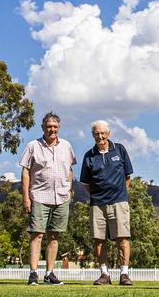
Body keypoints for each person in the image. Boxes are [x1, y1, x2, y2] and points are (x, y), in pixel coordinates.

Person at [19, 112, 76, 285]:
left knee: (54, 236)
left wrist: (69, 190)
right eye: (49, 126)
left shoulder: (66, 146)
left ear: (59, 127)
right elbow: (25, 172)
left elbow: (70, 169)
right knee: (37, 235)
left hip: (61, 197)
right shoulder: (32, 146)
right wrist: (26, 198)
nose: (52, 129)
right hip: (39, 196)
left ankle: (49, 274)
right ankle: (33, 273)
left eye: (55, 126)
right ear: (42, 127)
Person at [80, 120, 134, 286]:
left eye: (103, 133)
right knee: (99, 239)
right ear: (93, 135)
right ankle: (104, 275)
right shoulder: (88, 155)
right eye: (96, 133)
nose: (100, 136)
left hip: (119, 201)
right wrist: (99, 195)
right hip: (97, 203)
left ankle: (124, 274)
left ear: (108, 134)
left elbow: (127, 177)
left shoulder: (119, 149)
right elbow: (86, 183)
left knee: (123, 238)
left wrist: (119, 194)